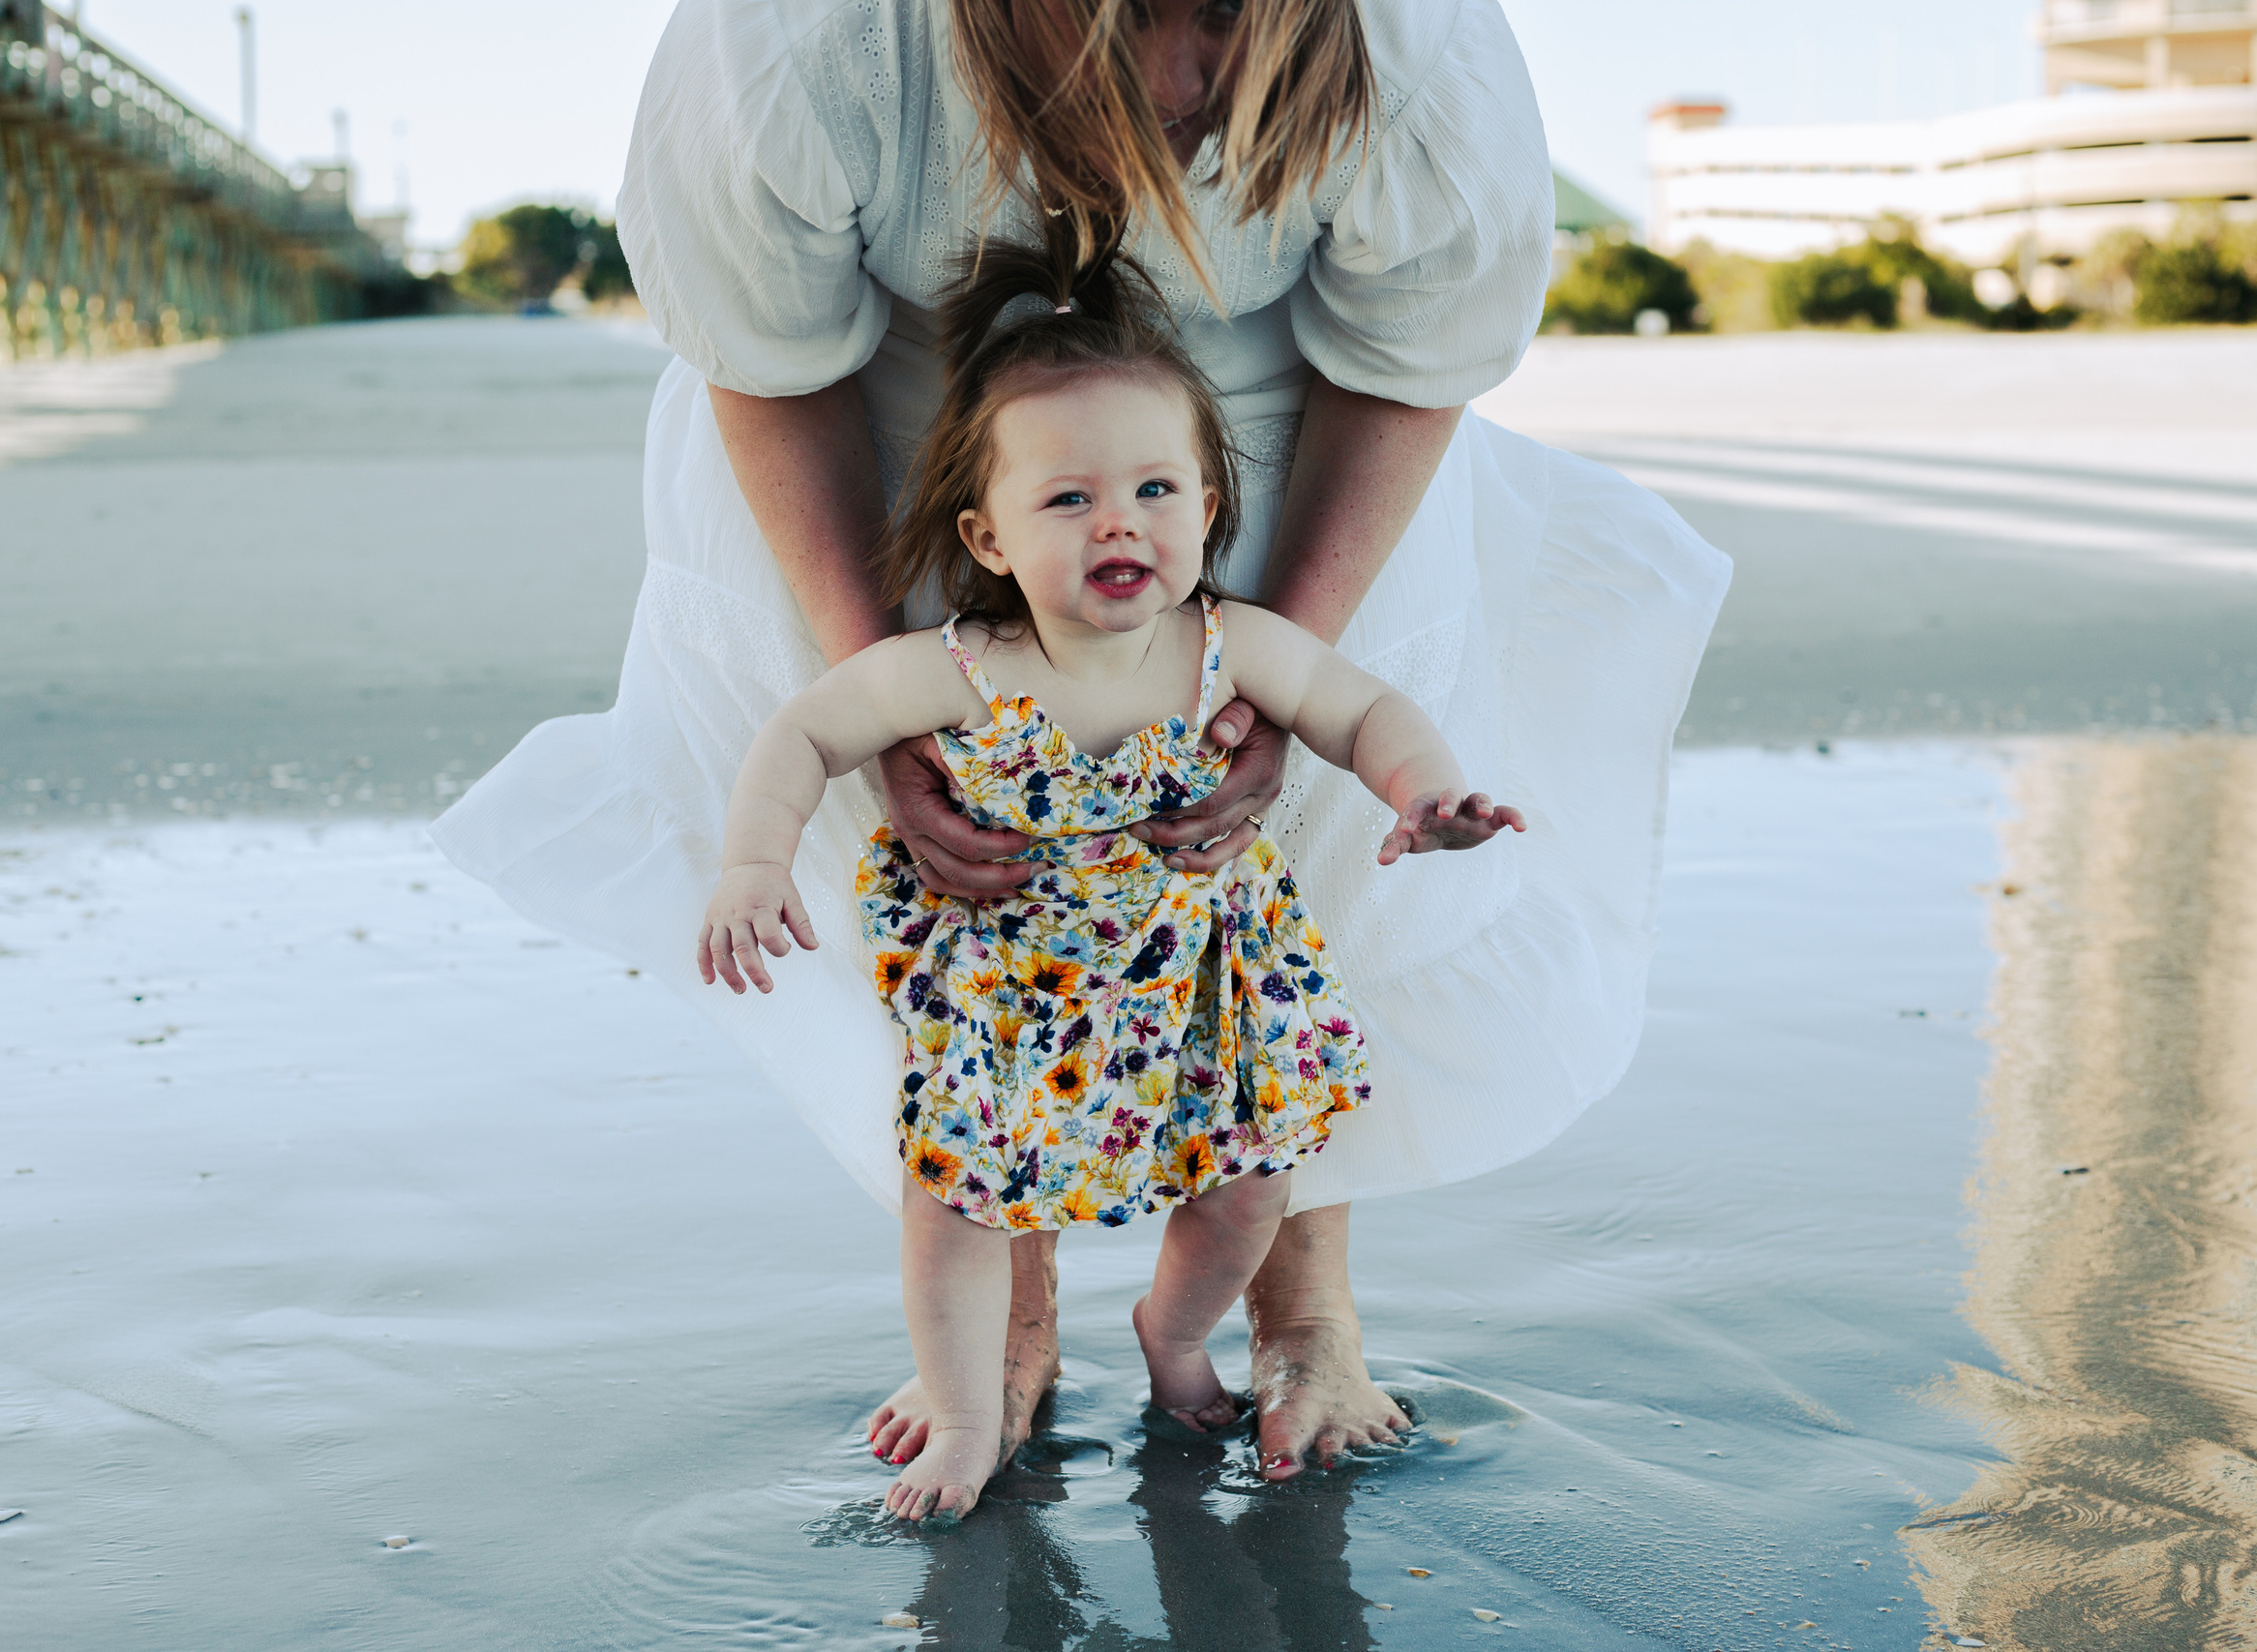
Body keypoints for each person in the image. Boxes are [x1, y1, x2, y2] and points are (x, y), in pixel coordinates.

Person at [431, 0, 1730, 1483]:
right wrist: (854, 738)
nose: (1181, 82)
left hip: (1246, 444)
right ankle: (1005, 1320)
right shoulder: (798, 41)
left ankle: (1296, 1306)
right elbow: (791, 568)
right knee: (971, 1069)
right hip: (929, 446)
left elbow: (1381, 558)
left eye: (1225, 15)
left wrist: (1337, 731)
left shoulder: (1412, 45)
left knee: (1272, 1030)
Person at [696, 233, 1527, 1520]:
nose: (1119, 521)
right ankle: (966, 1415)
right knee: (957, 1205)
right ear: (987, 535)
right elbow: (805, 731)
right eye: (1068, 500)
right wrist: (753, 862)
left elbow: (1365, 710)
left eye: (1154, 488)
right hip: (1013, 1001)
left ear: (1210, 506)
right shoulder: (960, 667)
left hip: (1206, 987)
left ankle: (1175, 1333)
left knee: (1251, 1186)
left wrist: (1429, 794)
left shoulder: (1233, 647)